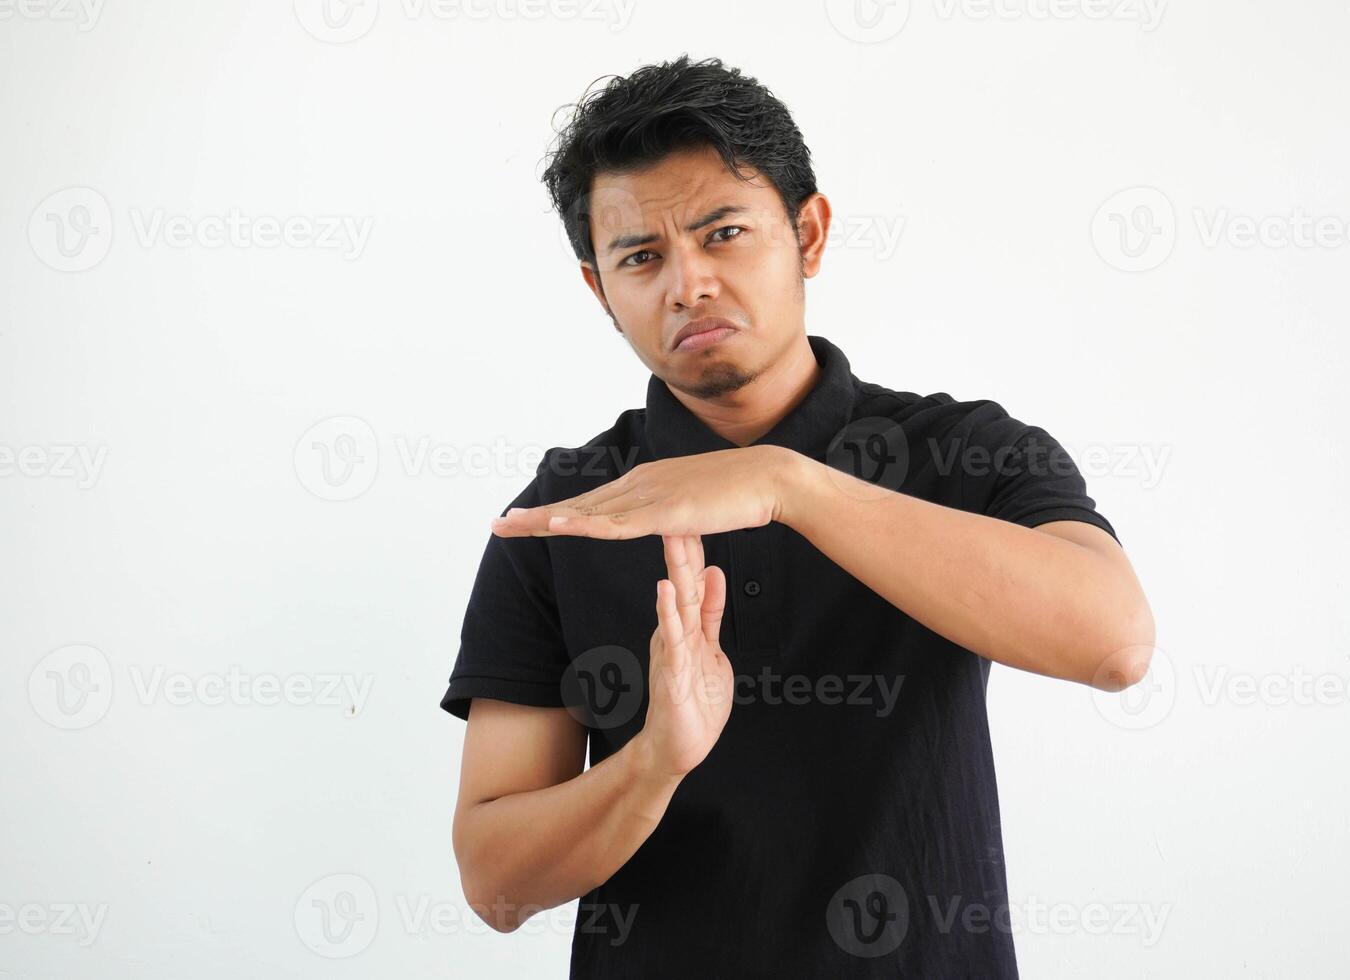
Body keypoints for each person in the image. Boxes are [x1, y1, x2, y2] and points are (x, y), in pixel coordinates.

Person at [440, 54, 1155, 978]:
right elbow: (495, 883)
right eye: (642, 258)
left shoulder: (964, 451)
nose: (687, 284)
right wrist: (653, 762)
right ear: (599, 290)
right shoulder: (571, 511)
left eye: (724, 232)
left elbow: (1115, 643)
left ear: (808, 234)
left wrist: (790, 484)